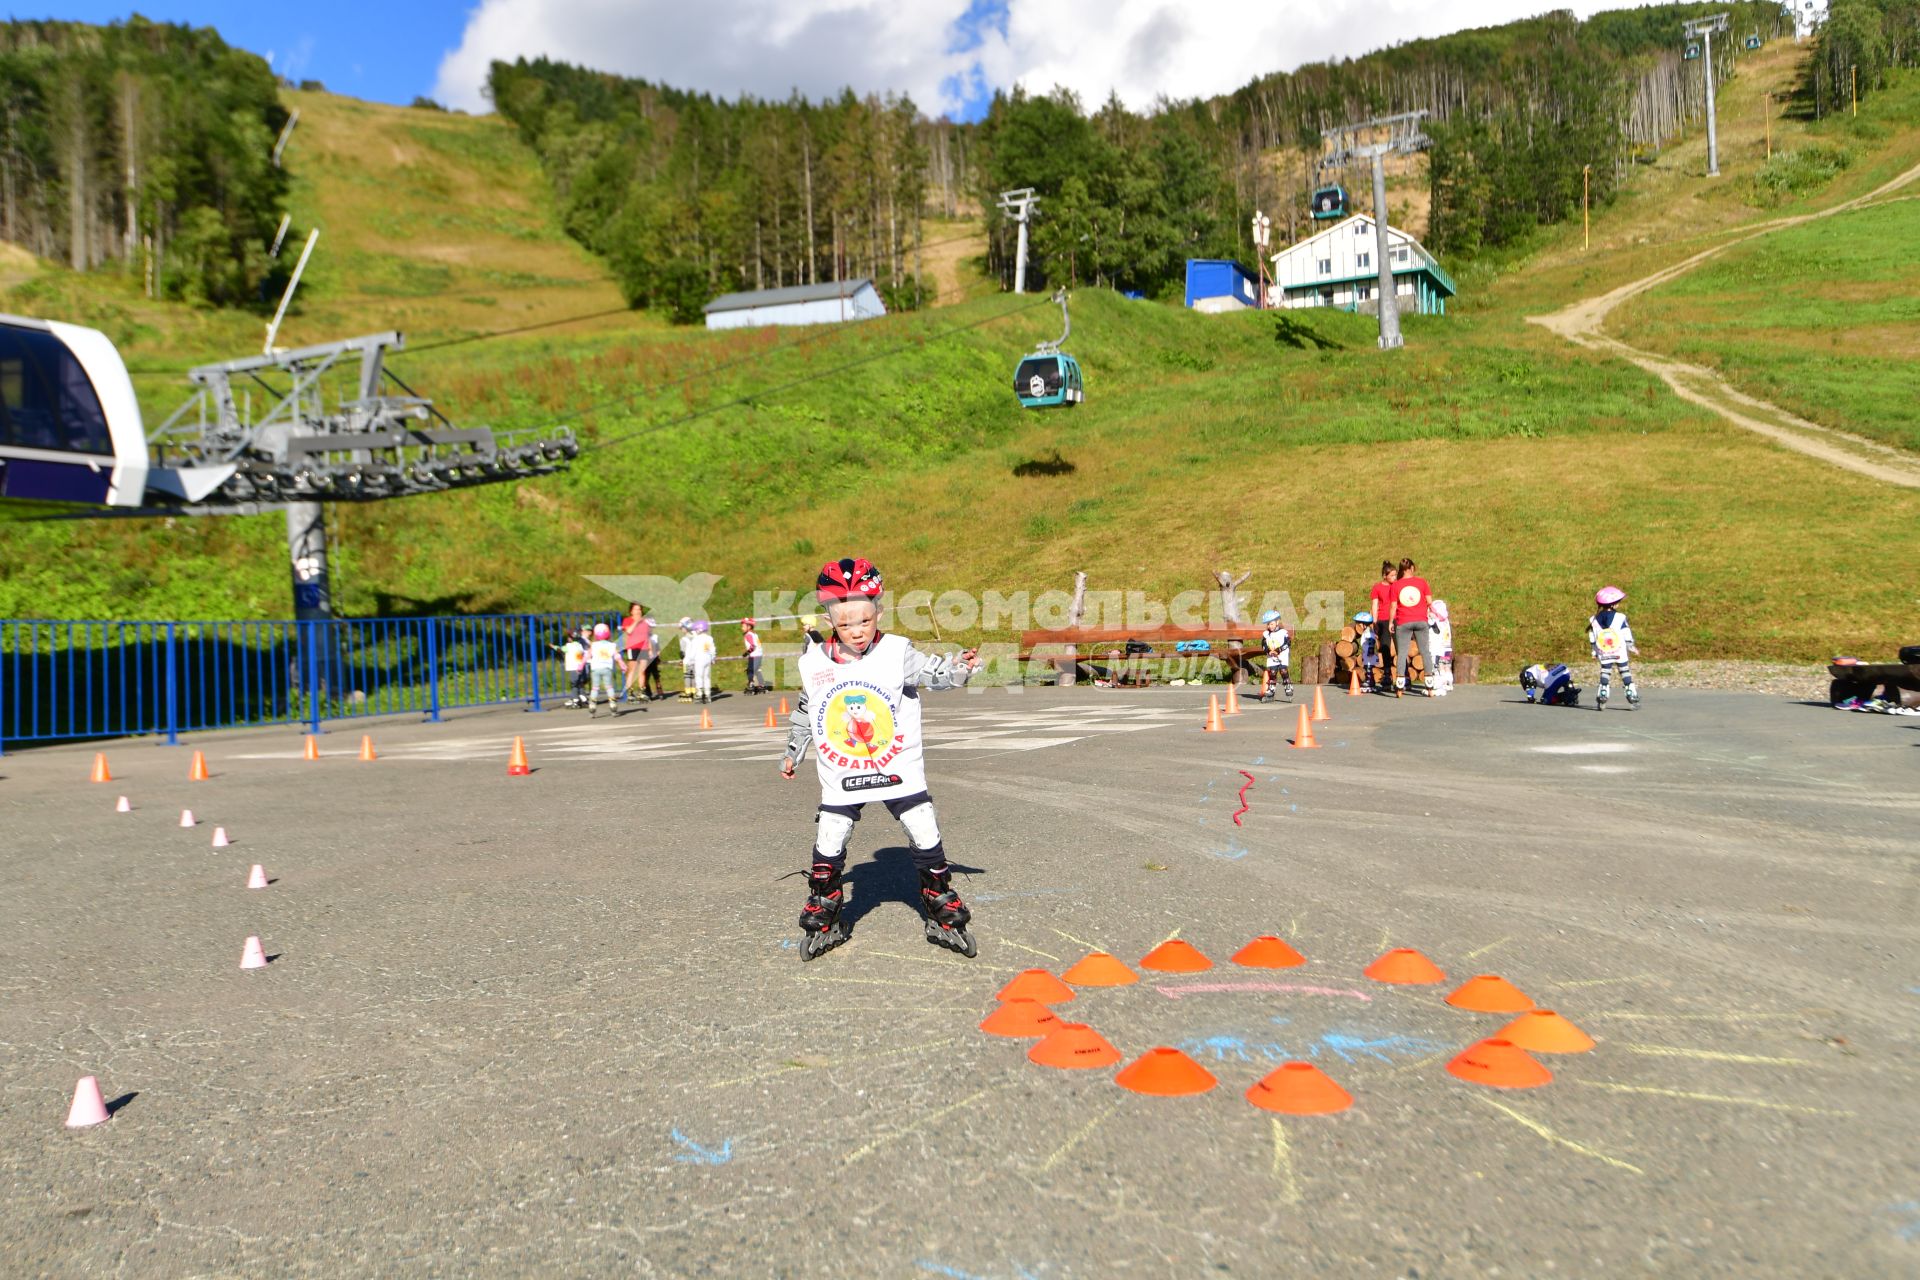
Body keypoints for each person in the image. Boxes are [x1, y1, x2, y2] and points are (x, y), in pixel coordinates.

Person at [779, 556, 981, 961]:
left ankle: (938, 896)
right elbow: (807, 707)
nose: (855, 632)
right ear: (829, 619)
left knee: (921, 824)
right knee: (832, 830)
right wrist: (793, 751)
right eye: (845, 624)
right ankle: (825, 899)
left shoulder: (896, 653)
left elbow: (936, 675)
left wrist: (961, 667)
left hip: (895, 765)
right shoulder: (814, 661)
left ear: (880, 612)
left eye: (865, 622)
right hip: (844, 767)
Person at [1588, 586, 1640, 711]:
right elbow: (1626, 633)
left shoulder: (1593, 619)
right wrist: (1632, 647)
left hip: (1603, 650)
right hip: (1619, 650)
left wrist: (1594, 651)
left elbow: (1593, 637)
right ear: (1613, 604)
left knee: (1605, 671)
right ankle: (1631, 694)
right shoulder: (1620, 617)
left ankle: (1602, 694)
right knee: (1624, 671)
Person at [1388, 557, 1433, 698]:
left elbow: (1393, 606)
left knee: (1402, 652)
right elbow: (1429, 601)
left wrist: (1391, 622)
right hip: (1421, 620)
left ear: (1401, 570)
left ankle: (1400, 686)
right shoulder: (1422, 582)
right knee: (1425, 651)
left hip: (1403, 621)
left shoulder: (1396, 585)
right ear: (1412, 568)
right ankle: (1430, 686)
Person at [585, 622, 626, 718]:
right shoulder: (612, 645)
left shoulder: (593, 645)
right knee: (609, 687)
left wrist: (581, 665)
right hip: (607, 668)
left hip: (595, 668)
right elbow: (617, 656)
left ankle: (592, 705)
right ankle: (612, 704)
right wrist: (622, 664)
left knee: (595, 688)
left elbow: (587, 655)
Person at [619, 603, 652, 704]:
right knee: (632, 670)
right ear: (631, 611)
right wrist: (636, 622)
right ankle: (630, 692)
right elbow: (628, 631)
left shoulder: (645, 622)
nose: (638, 611)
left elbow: (647, 636)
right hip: (633, 647)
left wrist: (650, 648)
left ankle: (642, 691)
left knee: (642, 671)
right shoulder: (627, 620)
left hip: (644, 648)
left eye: (639, 609)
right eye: (636, 609)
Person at [1257, 609, 1293, 701]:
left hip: (1282, 655)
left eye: (1271, 624)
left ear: (1277, 622)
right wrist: (1269, 651)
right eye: (1268, 624)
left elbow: (1287, 643)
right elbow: (1264, 645)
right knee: (1272, 672)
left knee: (1283, 670)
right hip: (1272, 656)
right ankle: (1271, 689)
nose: (1270, 626)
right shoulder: (1266, 634)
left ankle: (1288, 685)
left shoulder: (1283, 632)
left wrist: (1278, 650)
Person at [553, 625, 589, 708]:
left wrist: (553, 646)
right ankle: (584, 699)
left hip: (573, 668)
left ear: (571, 638)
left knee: (574, 685)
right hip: (581, 668)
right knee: (580, 684)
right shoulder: (580, 646)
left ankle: (575, 701)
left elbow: (560, 649)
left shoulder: (569, 646)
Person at [687, 620, 718, 703]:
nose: (695, 631)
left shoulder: (696, 639)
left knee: (699, 676)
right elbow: (713, 649)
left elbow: (693, 652)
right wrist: (713, 658)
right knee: (706, 677)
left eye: (696, 629)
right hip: (707, 659)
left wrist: (690, 661)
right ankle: (708, 694)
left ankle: (700, 694)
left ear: (699, 629)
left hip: (699, 659)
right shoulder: (709, 638)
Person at [1429, 599, 1455, 697]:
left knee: (1440, 666)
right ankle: (1449, 683)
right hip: (1447, 647)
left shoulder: (1436, 620)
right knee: (1447, 666)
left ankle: (1442, 684)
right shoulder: (1446, 620)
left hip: (1439, 648)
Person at [1354, 611, 1382, 692]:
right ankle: (1371, 681)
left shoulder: (1369, 632)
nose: (1358, 625)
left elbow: (1372, 641)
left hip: (1369, 655)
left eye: (1359, 624)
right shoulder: (1367, 631)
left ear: (1364, 624)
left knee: (1368, 668)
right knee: (1367, 668)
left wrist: (1370, 651)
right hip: (1367, 654)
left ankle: (1369, 681)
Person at [741, 618, 769, 694]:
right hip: (759, 655)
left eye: (743, 626)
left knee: (750, 671)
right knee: (757, 671)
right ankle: (761, 685)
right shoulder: (754, 634)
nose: (742, 628)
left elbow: (753, 646)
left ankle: (751, 685)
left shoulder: (748, 635)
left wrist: (746, 653)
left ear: (749, 627)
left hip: (754, 655)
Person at [674, 617, 696, 701]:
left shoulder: (683, 639)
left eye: (682, 628)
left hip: (687, 661)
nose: (682, 630)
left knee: (687, 676)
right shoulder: (696, 637)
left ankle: (688, 692)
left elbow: (682, 653)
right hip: (695, 660)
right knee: (694, 676)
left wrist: (681, 660)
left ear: (686, 627)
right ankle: (694, 691)